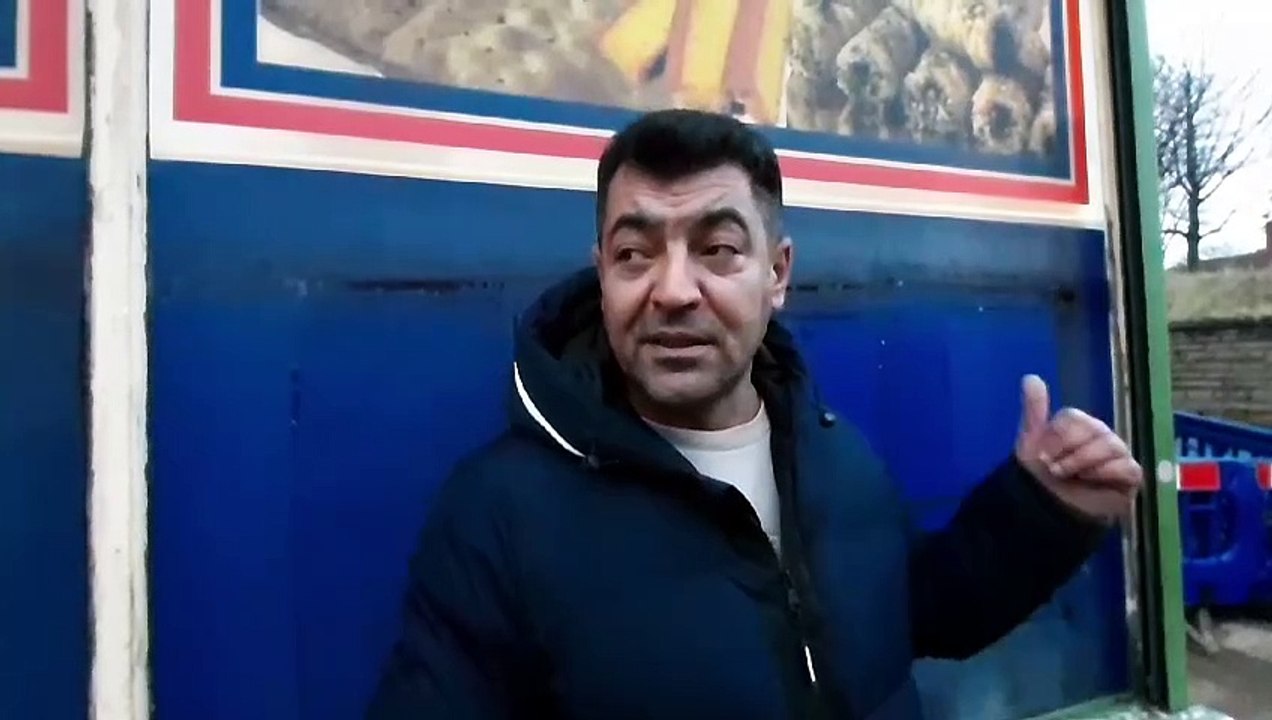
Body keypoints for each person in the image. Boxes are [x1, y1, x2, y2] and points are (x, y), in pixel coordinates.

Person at [367, 109, 1143, 720]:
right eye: (635, 253)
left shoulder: (834, 453)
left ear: (777, 275)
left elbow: (916, 616)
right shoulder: (498, 516)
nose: (671, 290)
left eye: (718, 250)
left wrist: (1042, 514)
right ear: (601, 272)